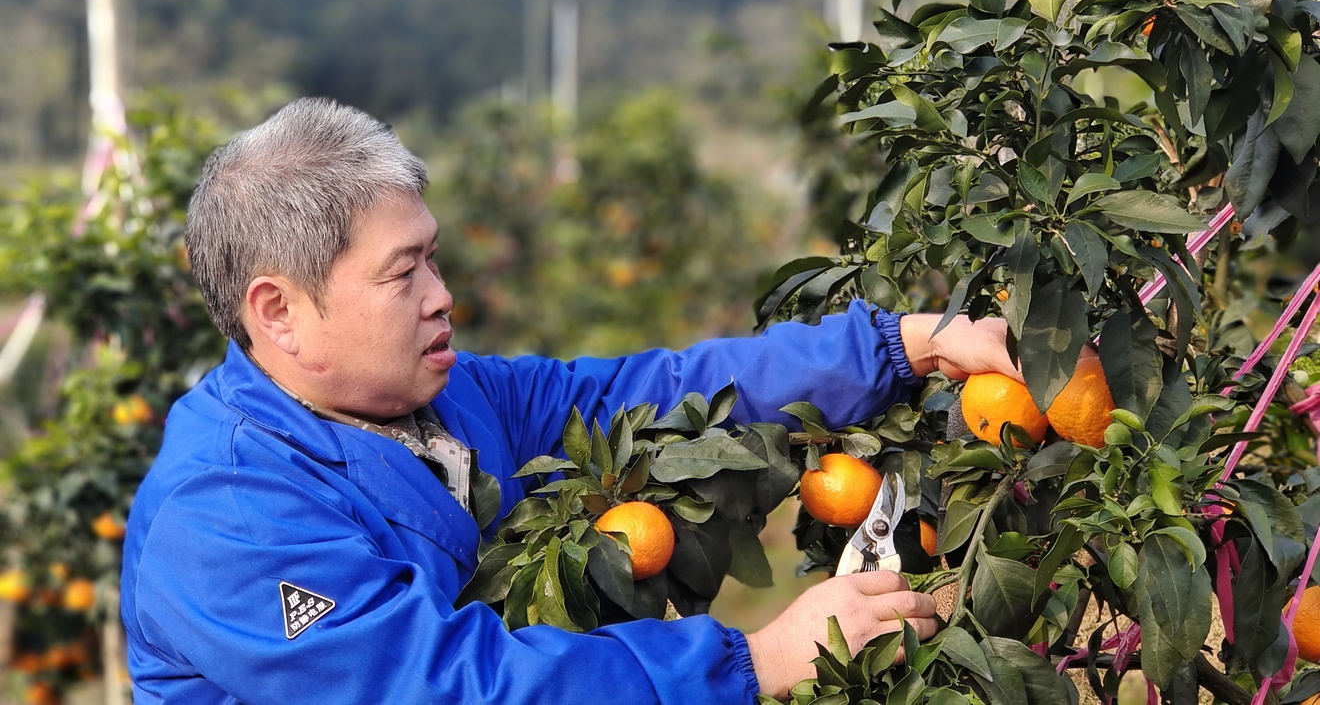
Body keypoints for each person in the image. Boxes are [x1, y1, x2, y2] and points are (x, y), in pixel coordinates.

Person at [120, 97, 1023, 704]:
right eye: (403, 273)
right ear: (278, 312)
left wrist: (902, 343)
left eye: (433, 255)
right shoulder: (228, 515)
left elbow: (652, 396)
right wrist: (752, 659)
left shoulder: (452, 399)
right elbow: (448, 687)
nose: (441, 294)